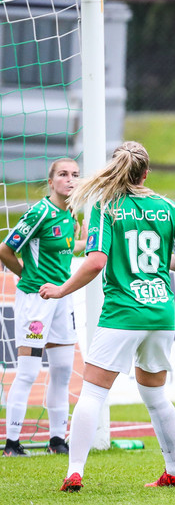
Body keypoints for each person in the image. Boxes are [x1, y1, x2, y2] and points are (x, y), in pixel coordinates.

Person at [38, 142, 175, 492]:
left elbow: (96, 261)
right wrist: (157, 265)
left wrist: (62, 289)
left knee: (93, 393)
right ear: (146, 173)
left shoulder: (106, 207)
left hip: (123, 313)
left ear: (116, 169)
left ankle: (75, 471)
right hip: (160, 314)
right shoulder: (168, 207)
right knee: (156, 397)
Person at [1, 158, 86, 457]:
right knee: (28, 372)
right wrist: (28, 276)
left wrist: (85, 240)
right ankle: (12, 443)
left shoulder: (71, 213)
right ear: (51, 182)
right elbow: (5, 250)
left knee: (63, 371)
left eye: (75, 174)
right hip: (36, 301)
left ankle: (57, 440)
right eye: (63, 174)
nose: (70, 179)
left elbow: (67, 246)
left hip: (62, 298)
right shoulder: (39, 212)